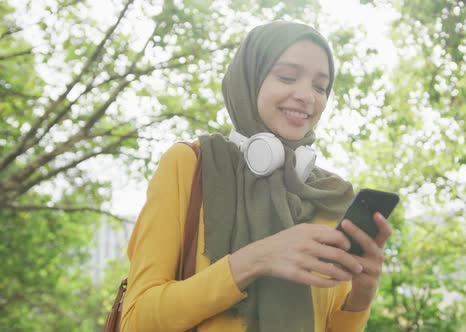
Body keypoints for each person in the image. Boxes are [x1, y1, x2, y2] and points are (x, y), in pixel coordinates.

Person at [121, 21, 392, 332]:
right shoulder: (190, 164)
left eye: (320, 86)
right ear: (249, 79)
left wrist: (361, 296)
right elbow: (136, 320)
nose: (307, 96)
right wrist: (256, 259)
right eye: (287, 76)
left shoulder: (329, 196)